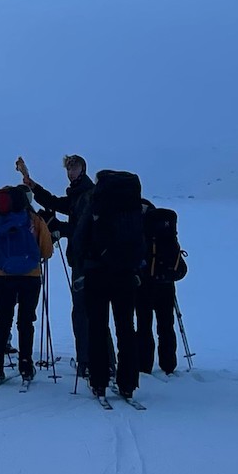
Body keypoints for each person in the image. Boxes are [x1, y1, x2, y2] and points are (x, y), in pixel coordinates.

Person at [17, 155, 99, 375]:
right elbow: (56, 203)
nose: (71, 172)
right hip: (84, 259)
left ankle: (88, 362)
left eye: (75, 168)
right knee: (88, 311)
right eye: (69, 168)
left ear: (83, 169)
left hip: (85, 260)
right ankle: (98, 360)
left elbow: (81, 229)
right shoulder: (78, 193)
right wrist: (32, 184)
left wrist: (58, 228)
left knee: (84, 311)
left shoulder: (85, 195)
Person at [70, 169, 148, 402]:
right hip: (125, 273)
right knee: (126, 327)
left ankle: (99, 381)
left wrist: (82, 261)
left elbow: (79, 239)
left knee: (97, 326)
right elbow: (141, 242)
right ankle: (128, 383)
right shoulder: (132, 206)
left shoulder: (96, 205)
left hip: (97, 273)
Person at [0, 185, 54, 383]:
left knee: (3, 319)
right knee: (26, 321)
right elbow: (46, 251)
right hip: (31, 276)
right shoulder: (35, 220)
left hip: (4, 275)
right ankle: (26, 363)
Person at [137, 199, 186, 375]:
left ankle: (144, 364)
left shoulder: (141, 221)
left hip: (146, 283)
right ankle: (168, 364)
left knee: (144, 324)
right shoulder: (163, 223)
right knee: (166, 325)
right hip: (166, 282)